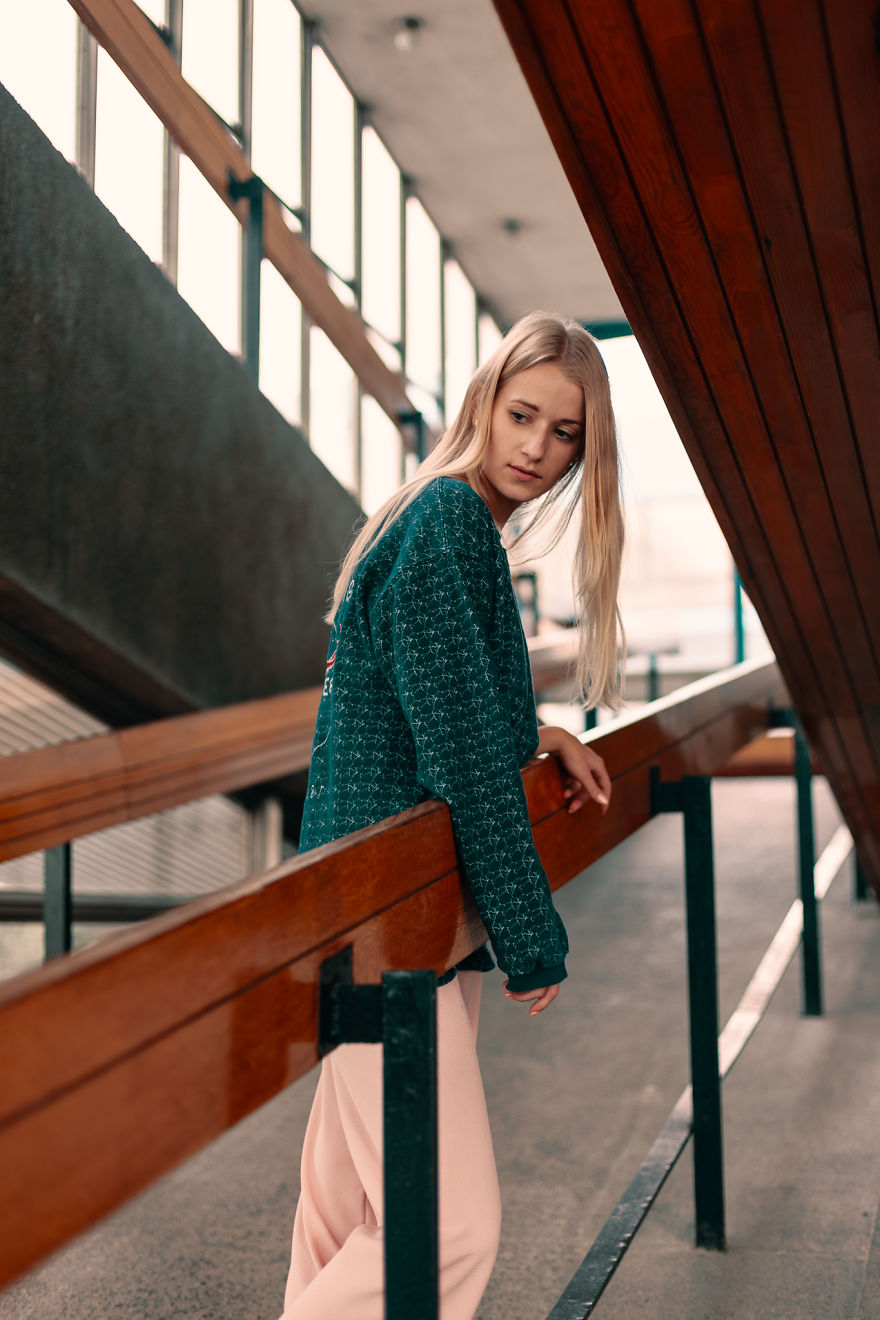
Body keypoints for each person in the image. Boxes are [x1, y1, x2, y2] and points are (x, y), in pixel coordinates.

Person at [280, 311, 624, 1319]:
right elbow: (463, 762)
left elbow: (445, 708)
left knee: (345, 1218)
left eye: (565, 434)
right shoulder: (446, 524)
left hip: (393, 907)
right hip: (384, 921)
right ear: (484, 403)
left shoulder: (440, 522)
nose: (537, 448)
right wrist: (533, 938)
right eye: (523, 415)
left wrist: (538, 734)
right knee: (447, 1228)